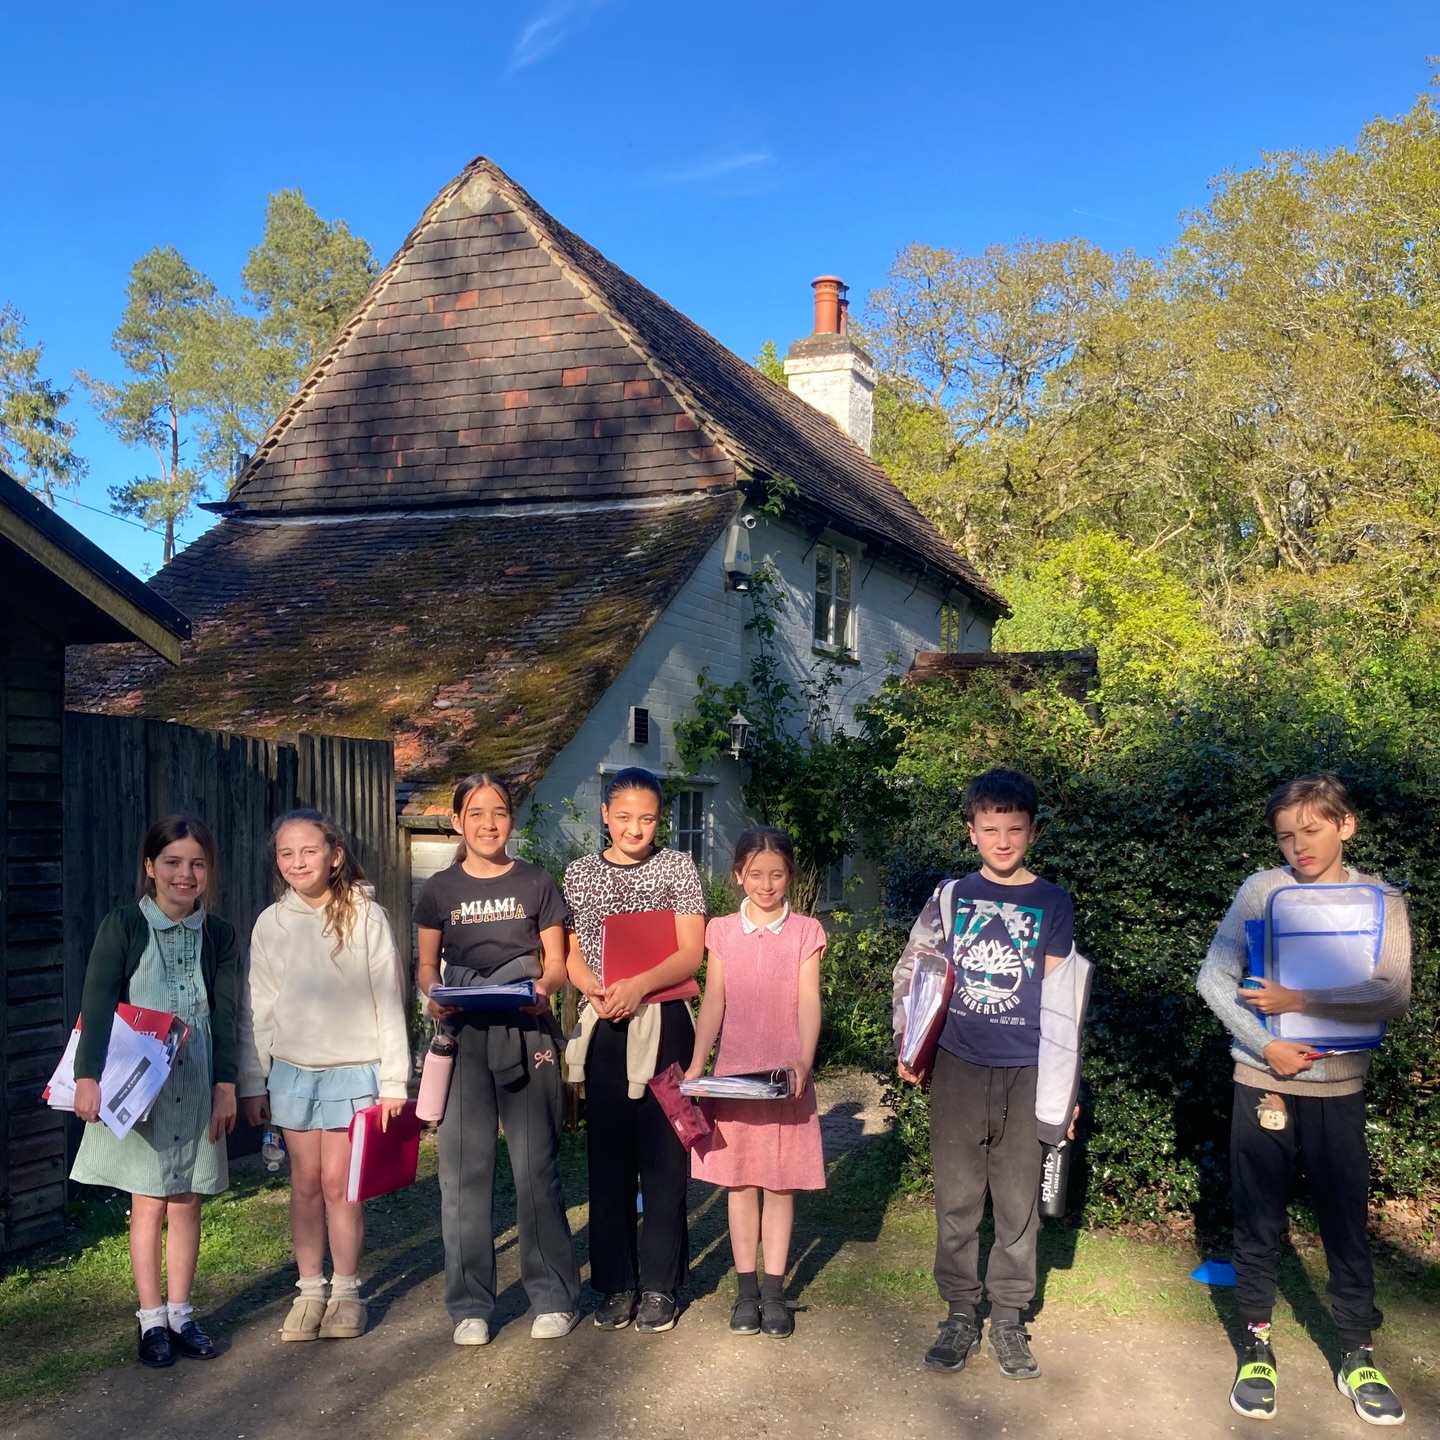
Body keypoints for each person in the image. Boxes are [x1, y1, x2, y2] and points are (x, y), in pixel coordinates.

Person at [1196, 773, 1411, 1426]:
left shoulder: (1381, 900)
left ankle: (1357, 1352)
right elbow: (1214, 977)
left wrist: (1299, 1001)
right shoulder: (1261, 892)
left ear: (1345, 825)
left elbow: (1391, 994)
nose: (1298, 846)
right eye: (1286, 836)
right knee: (1258, 1222)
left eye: (1311, 831)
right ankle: (1257, 1347)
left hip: (1339, 1090)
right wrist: (1269, 1045)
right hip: (1262, 1086)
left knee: (1346, 1224)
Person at [892, 768, 1075, 1381]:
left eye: (1014, 829)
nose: (1002, 840)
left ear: (1032, 831)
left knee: (1017, 1203)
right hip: (958, 1067)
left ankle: (1008, 1319)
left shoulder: (1052, 902)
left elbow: (1062, 1004)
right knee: (958, 1200)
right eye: (990, 828)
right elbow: (915, 969)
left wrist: (1063, 1091)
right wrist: (909, 1041)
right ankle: (958, 1314)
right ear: (971, 831)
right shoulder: (952, 896)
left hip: (1025, 1072)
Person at [414, 773, 580, 1346]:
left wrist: (542, 992)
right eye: (476, 813)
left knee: (535, 1167)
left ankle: (554, 1295)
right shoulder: (438, 889)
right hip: (464, 1040)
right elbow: (426, 969)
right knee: (464, 1173)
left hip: (526, 1032)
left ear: (512, 820)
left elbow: (555, 964)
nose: (489, 823)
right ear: (457, 822)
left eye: (500, 812)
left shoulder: (537, 882)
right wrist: (434, 998)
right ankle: (469, 1306)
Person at [70, 814, 241, 1369]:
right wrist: (87, 1076)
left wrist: (227, 1085)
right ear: (150, 868)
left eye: (196, 863)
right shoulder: (124, 925)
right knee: (148, 1202)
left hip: (196, 1087)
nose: (184, 875)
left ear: (208, 871)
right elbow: (96, 1004)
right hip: (140, 1090)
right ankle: (151, 1322)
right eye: (172, 862)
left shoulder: (218, 935)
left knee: (188, 1200)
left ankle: (182, 1314)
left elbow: (229, 1016)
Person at [237, 810, 410, 1342]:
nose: (297, 862)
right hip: (292, 1074)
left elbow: (389, 998)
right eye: (286, 853)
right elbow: (257, 1007)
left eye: (308, 851)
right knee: (305, 1185)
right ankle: (310, 1290)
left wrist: (395, 1080)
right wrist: (252, 1080)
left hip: (354, 1072)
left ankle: (346, 1290)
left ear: (334, 855)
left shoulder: (366, 915)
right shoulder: (272, 922)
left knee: (341, 1185)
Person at [563, 767, 706, 1334]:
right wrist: (592, 990)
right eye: (623, 817)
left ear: (659, 819)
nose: (635, 828)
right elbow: (571, 952)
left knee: (666, 1158)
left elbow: (691, 951)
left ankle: (660, 1286)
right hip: (604, 1025)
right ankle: (616, 1283)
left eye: (646, 818)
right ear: (604, 815)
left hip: (665, 1022)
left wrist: (640, 985)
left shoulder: (678, 867)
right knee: (610, 1161)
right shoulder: (578, 874)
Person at [686, 826, 825, 1339]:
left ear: (790, 875)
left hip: (785, 1078)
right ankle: (745, 1294)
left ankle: (774, 1292)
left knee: (780, 1183)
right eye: (756, 874)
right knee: (740, 1182)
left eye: (777, 874)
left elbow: (808, 1000)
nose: (766, 885)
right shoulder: (720, 930)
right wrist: (700, 1064)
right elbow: (714, 1001)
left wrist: (802, 1063)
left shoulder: (807, 932)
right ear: (738, 875)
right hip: (734, 1078)